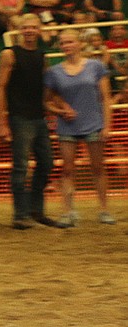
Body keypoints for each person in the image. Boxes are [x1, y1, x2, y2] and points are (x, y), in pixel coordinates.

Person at [0, 14, 63, 230]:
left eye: (34, 27)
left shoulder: (42, 57)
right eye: (26, 27)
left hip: (38, 118)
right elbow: (0, 87)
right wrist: (1, 122)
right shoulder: (9, 55)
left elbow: (45, 89)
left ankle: (36, 210)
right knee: (20, 167)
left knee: (46, 163)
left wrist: (53, 109)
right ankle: (20, 214)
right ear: (20, 30)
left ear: (39, 30)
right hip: (19, 118)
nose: (30, 30)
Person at [45, 29, 114, 227]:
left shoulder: (96, 66)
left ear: (79, 43)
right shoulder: (54, 72)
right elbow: (47, 102)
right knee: (67, 170)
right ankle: (68, 211)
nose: (66, 46)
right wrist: (60, 112)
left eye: (69, 42)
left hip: (94, 124)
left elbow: (106, 98)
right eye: (63, 43)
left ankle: (104, 209)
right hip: (67, 127)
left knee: (98, 167)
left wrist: (107, 126)